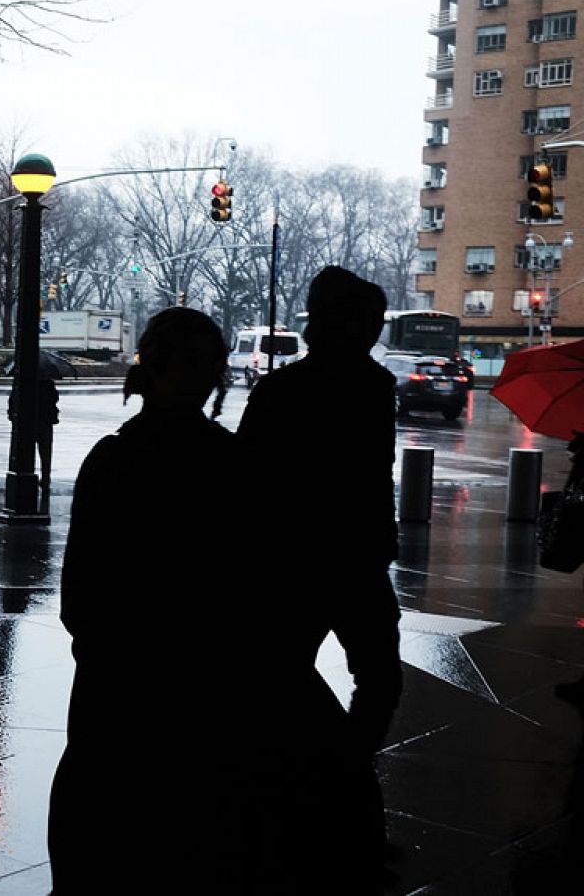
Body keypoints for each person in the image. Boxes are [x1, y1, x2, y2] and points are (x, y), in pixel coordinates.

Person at [47, 308, 267, 893]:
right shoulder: (234, 464)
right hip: (204, 680)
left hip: (118, 673)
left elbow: (82, 589)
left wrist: (102, 644)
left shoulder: (113, 459)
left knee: (98, 805)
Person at [236, 265, 403, 891]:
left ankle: (330, 800)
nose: (374, 331)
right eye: (368, 321)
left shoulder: (358, 387)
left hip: (334, 562)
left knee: (362, 683)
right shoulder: (298, 392)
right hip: (306, 565)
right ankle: (331, 804)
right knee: (351, 684)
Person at [7, 355, 61, 497]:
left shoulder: (22, 381)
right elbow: (54, 399)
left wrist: (12, 416)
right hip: (45, 421)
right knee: (45, 452)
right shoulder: (48, 384)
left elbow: (13, 399)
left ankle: (26, 475)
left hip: (27, 421)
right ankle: (46, 478)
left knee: (24, 451)